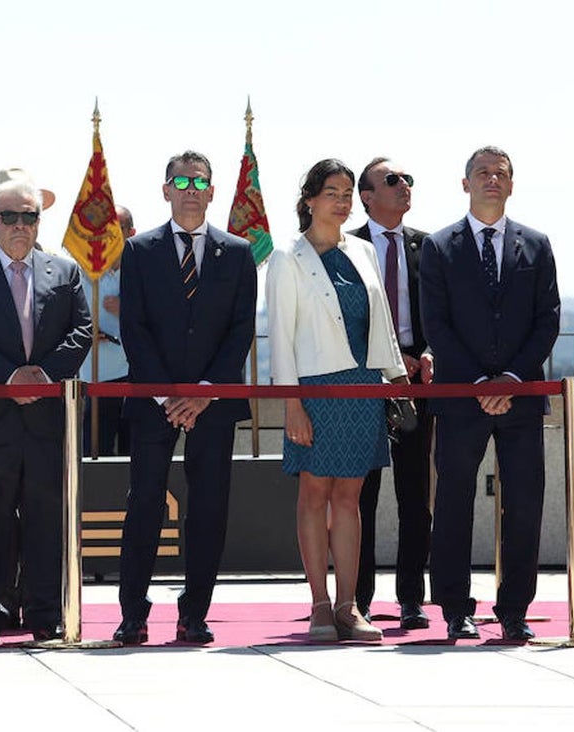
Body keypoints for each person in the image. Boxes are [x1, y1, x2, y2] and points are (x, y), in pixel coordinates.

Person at [114, 151, 257, 645]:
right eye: (181, 179)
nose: (191, 187)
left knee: (209, 508)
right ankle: (133, 614)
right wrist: (168, 396)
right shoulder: (138, 250)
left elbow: (240, 330)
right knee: (145, 505)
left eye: (200, 181)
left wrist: (204, 394)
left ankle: (194, 612)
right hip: (155, 403)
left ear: (213, 191)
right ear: (166, 189)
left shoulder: (238, 252)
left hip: (213, 405)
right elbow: (132, 326)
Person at [420, 146, 560, 642]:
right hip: (461, 396)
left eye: (501, 173)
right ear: (465, 184)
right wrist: (479, 382)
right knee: (454, 503)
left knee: (524, 504)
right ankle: (455, 607)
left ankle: (515, 608)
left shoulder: (537, 245)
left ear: (512, 184)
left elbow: (548, 320)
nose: (492, 180)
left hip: (521, 396)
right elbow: (435, 322)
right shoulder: (438, 248)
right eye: (482, 172)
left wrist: (511, 380)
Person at [0, 169, 91, 646]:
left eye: (29, 216)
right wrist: (12, 378)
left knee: (47, 520)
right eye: (9, 216)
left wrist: (43, 376)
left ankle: (44, 614)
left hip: (48, 421)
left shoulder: (66, 272)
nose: (20, 225)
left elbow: (81, 331)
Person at [267, 159, 409, 642]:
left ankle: (349, 607)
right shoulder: (287, 257)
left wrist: (394, 379)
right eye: (333, 192)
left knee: (350, 498)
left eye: (349, 192)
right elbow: (280, 338)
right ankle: (320, 606)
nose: (343, 201)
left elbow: (383, 323)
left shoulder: (365, 251)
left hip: (363, 387)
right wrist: (292, 404)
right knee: (314, 494)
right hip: (313, 389)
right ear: (309, 199)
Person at [349, 158, 434, 630]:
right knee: (360, 496)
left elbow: (442, 312)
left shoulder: (430, 247)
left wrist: (428, 352)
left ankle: (411, 599)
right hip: (362, 380)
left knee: (414, 494)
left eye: (408, 180)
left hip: (415, 381)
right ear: (366, 196)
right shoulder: (346, 246)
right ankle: (356, 598)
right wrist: (379, 363)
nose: (405, 187)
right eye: (393, 181)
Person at [83, 205, 135, 457]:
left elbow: (166, 316)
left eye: (117, 230)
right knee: (95, 452)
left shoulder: (145, 272)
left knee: (134, 454)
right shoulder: (82, 272)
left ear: (131, 233)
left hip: (136, 377)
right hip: (95, 377)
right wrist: (84, 333)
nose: (108, 237)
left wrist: (127, 310)